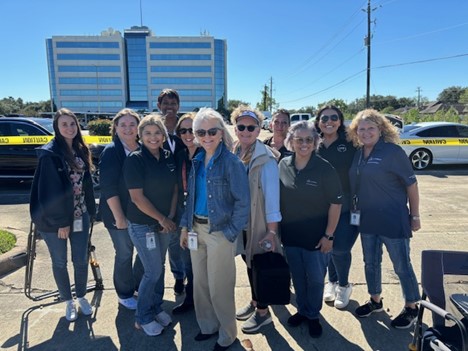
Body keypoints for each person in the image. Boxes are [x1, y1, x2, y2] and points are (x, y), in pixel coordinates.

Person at [179, 108, 250, 351]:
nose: (206, 136)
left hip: (219, 231)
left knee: (220, 286)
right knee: (200, 283)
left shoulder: (232, 163)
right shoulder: (197, 160)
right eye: (201, 131)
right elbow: (191, 198)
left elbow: (243, 202)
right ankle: (207, 326)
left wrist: (230, 232)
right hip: (195, 229)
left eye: (212, 131)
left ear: (221, 132)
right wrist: (184, 227)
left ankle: (227, 335)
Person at [347, 109, 421, 329]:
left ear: (381, 129)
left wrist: (415, 215)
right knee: (370, 263)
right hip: (367, 219)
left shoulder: (392, 152)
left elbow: (411, 184)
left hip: (392, 218)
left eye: (371, 128)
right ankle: (375, 300)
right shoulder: (359, 153)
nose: (366, 132)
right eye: (362, 129)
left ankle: (411, 306)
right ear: (356, 132)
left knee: (401, 265)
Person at [30, 108, 96, 322]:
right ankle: (67, 301)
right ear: (57, 128)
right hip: (56, 221)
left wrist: (91, 211)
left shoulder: (80, 149)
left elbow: (85, 186)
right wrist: (62, 223)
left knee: (80, 260)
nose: (69, 128)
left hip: (80, 216)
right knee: (59, 262)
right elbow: (49, 192)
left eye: (72, 124)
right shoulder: (50, 154)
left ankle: (82, 297)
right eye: (64, 124)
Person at [279, 121, 342, 338]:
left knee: (315, 279)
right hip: (291, 237)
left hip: (317, 239)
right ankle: (303, 310)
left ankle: (313, 315)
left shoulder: (325, 168)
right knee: (298, 277)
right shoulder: (283, 164)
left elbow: (336, 203)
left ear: (315, 142)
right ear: (291, 142)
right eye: (299, 139)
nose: (304, 144)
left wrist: (329, 235)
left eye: (308, 140)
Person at [123, 114, 178, 336]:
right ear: (140, 135)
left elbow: (175, 189)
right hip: (143, 225)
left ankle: (155, 308)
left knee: (160, 268)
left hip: (165, 223)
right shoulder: (134, 160)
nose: (153, 137)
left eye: (157, 133)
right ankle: (143, 317)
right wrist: (162, 219)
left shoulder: (167, 156)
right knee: (152, 271)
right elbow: (137, 198)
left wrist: (170, 218)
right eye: (147, 133)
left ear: (163, 135)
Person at [231, 106, 282, 334]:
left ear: (259, 129)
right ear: (235, 128)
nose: (245, 131)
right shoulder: (236, 151)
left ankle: (263, 313)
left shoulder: (265, 158)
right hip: (242, 222)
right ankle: (254, 301)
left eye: (251, 127)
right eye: (241, 126)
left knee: (259, 264)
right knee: (248, 262)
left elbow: (272, 197)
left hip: (259, 221)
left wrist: (271, 232)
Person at [314, 105, 358, 309]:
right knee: (327, 246)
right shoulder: (314, 143)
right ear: (318, 122)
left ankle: (344, 284)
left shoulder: (350, 143)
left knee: (341, 248)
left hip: (347, 204)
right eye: (324, 118)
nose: (328, 121)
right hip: (322, 206)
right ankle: (331, 282)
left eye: (333, 117)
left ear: (340, 121)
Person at [98, 108, 142, 310]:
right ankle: (124, 293)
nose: (128, 128)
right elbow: (108, 187)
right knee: (124, 253)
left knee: (143, 252)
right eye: (123, 124)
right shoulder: (111, 152)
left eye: (132, 124)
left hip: (141, 213)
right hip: (119, 214)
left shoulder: (143, 148)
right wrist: (119, 217)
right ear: (115, 128)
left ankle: (138, 286)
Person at [157, 88, 187, 295]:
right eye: (165, 103)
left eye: (173, 103)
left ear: (178, 106)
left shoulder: (185, 128)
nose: (169, 107)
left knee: (184, 241)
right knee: (167, 242)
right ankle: (171, 278)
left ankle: (185, 276)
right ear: (159, 106)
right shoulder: (153, 129)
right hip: (163, 196)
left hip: (186, 193)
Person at [172, 112, 200, 314]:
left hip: (201, 214)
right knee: (187, 259)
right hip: (183, 213)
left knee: (201, 261)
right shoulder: (180, 155)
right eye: (183, 130)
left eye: (192, 129)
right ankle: (190, 299)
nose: (188, 134)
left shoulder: (207, 153)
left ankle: (203, 301)